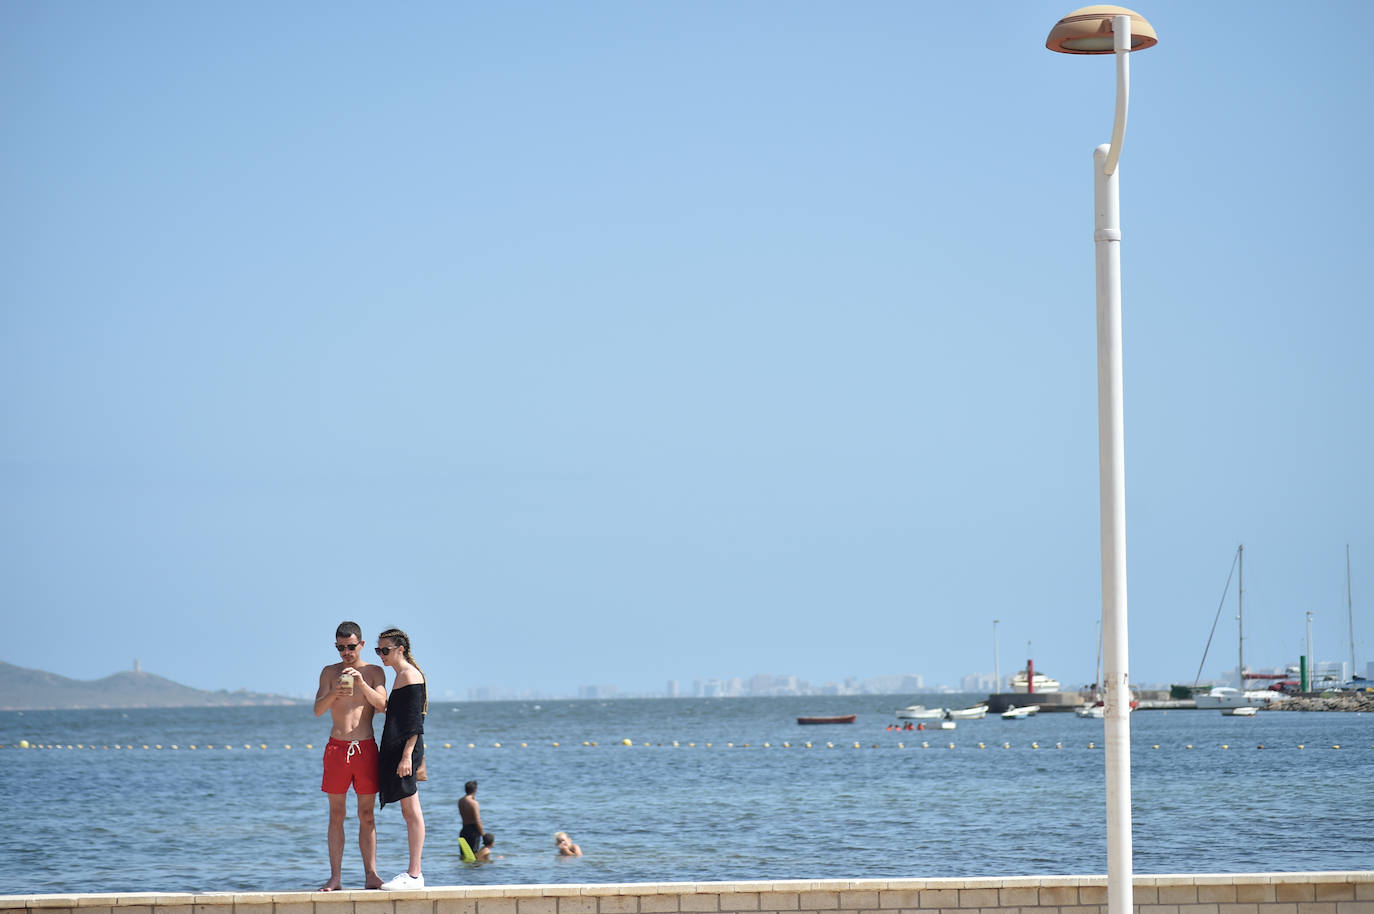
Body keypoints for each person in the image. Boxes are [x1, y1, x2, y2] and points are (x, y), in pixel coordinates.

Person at [313, 621, 388, 891]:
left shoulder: (374, 671)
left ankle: (371, 874)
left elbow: (383, 705)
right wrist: (335, 691)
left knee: (367, 814)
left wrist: (360, 682)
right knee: (336, 814)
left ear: (362, 645)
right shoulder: (329, 672)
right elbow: (318, 710)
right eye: (340, 647)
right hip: (337, 748)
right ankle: (335, 878)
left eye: (350, 646)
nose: (345, 652)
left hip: (365, 748)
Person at [376, 627, 427, 890]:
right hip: (399, 750)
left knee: (412, 811)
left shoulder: (409, 675)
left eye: (385, 650)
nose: (381, 655)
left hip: (406, 751)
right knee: (409, 812)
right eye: (378, 650)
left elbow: (415, 722)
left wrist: (407, 756)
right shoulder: (400, 676)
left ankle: (415, 874)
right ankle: (413, 873)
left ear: (400, 650)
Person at [458, 780, 483, 860]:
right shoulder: (474, 803)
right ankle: (473, 872)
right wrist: (483, 834)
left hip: (464, 829)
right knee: (474, 855)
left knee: (464, 855)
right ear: (475, 790)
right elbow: (477, 820)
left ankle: (464, 871)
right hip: (473, 831)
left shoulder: (460, 801)